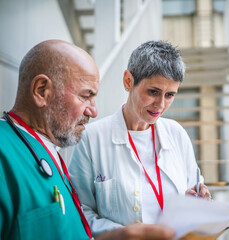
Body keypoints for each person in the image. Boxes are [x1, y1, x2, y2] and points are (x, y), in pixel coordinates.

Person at [0, 39, 175, 240]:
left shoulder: (47, 151)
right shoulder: (4, 154)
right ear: (42, 91)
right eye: (85, 96)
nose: (94, 111)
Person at [68, 40, 211, 237]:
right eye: (153, 92)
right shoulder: (92, 139)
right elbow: (79, 211)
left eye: (170, 95)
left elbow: (193, 186)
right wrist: (125, 234)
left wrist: (196, 199)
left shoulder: (176, 134)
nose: (160, 104)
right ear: (128, 81)